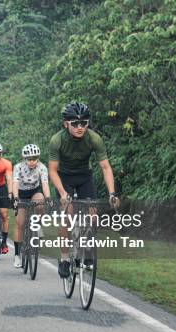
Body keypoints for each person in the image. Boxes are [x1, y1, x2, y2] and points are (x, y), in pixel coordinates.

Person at [48, 101, 120, 278]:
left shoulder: (94, 138)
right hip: (64, 178)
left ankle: (87, 250)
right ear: (66, 124)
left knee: (93, 217)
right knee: (67, 215)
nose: (80, 127)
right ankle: (65, 258)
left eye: (84, 123)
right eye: (75, 123)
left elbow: (105, 167)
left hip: (84, 177)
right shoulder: (57, 140)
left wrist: (112, 193)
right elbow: (52, 170)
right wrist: (63, 194)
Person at [12, 144, 51, 268]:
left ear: (38, 158)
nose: (32, 161)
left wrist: (48, 198)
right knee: (20, 223)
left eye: (34, 158)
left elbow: (45, 184)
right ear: (25, 159)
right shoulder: (18, 167)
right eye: (29, 159)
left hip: (35, 191)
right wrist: (16, 198)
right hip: (22, 193)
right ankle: (17, 255)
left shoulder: (42, 167)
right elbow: (15, 183)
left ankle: (38, 225)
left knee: (40, 203)